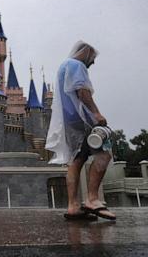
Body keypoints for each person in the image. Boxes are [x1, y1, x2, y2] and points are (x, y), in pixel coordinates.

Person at [46, 41, 116, 221]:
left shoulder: (63, 67)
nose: (92, 63)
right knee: (104, 154)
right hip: (84, 119)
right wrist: (96, 113)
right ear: (85, 53)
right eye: (92, 59)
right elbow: (83, 92)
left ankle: (72, 206)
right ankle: (92, 199)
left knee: (76, 160)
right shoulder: (77, 65)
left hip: (69, 122)